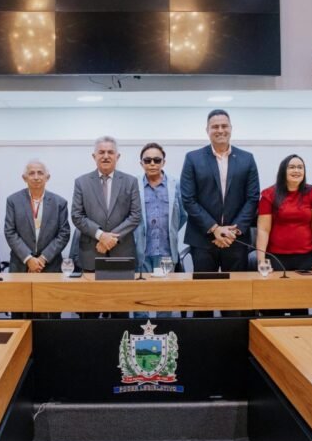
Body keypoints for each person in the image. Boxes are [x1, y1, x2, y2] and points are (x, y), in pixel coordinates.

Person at [180, 109, 259, 316]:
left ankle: (234, 344)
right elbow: (188, 198)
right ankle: (204, 344)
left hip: (236, 240)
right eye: (215, 126)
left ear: (231, 129)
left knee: (234, 300)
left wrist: (233, 230)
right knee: (203, 299)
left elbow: (252, 198)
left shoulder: (247, 159)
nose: (220, 130)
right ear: (207, 130)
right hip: (203, 239)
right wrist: (214, 229)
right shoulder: (193, 158)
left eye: (224, 126)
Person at [71, 136, 141, 318]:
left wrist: (111, 239)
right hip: (91, 254)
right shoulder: (82, 182)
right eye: (101, 152)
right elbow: (77, 216)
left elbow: (135, 216)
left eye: (110, 152)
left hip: (122, 254)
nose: (106, 156)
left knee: (120, 313)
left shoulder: (130, 181)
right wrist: (101, 235)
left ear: (118, 156)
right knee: (90, 313)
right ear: (93, 156)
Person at [5, 160, 70, 319]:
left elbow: (64, 234)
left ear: (47, 177)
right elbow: (10, 231)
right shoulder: (13, 200)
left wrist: (42, 258)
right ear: (24, 177)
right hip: (21, 266)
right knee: (20, 313)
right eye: (31, 173)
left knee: (51, 314)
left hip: (50, 266)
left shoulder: (59, 202)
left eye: (40, 173)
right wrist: (28, 259)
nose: (36, 177)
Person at [134, 143, 187, 318]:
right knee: (140, 301)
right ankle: (140, 338)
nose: (152, 164)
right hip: (142, 251)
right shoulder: (134, 186)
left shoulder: (175, 185)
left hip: (166, 253)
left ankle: (164, 336)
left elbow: (183, 215)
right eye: (147, 160)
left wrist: (170, 232)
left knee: (165, 301)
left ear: (163, 162)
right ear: (141, 163)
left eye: (157, 160)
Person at [256, 154, 312, 273]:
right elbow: (263, 230)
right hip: (276, 258)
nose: (296, 170)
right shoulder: (268, 195)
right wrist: (261, 261)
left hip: (306, 257)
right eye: (292, 167)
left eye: (300, 167)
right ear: (283, 170)